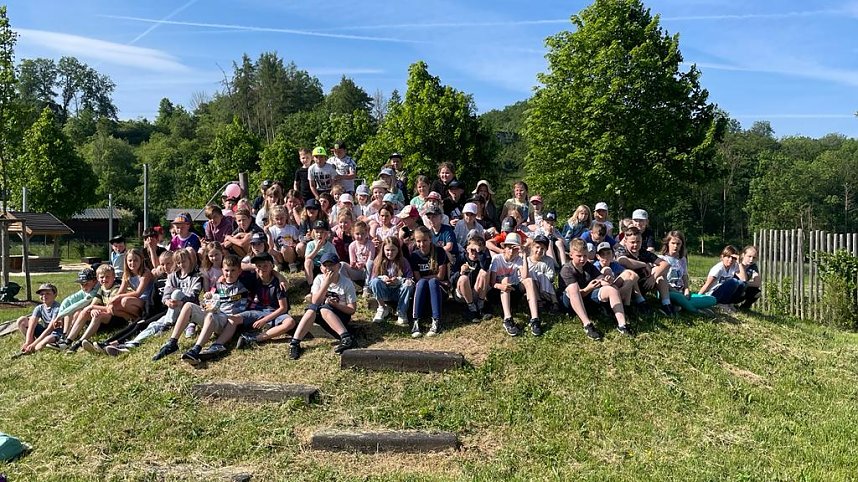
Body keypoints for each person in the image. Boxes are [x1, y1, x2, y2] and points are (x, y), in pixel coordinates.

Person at [105, 249, 204, 355]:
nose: (181, 265)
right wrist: (167, 301)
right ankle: (131, 344)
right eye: (179, 262)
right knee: (153, 325)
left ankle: (167, 324)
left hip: (188, 310)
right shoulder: (172, 276)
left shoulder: (196, 276)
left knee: (176, 294)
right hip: (172, 310)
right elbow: (166, 293)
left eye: (183, 261)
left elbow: (194, 296)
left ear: (190, 260)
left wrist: (180, 302)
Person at [153, 254, 249, 362]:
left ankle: (196, 349)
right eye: (226, 270)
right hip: (215, 315)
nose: (229, 274)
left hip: (227, 321)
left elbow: (240, 310)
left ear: (239, 271)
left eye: (233, 270)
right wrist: (208, 300)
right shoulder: (218, 284)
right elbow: (211, 298)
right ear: (222, 270)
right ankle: (172, 343)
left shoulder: (243, 286)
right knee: (188, 305)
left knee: (211, 315)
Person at [219, 252, 296, 353]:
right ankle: (218, 344)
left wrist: (265, 320)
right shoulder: (253, 278)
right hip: (257, 310)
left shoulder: (277, 283)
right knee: (233, 319)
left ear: (272, 266)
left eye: (265, 266)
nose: (262, 269)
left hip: (275, 312)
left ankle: (254, 338)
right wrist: (223, 277)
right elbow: (238, 266)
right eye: (259, 266)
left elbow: (283, 308)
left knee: (290, 322)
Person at [288, 252, 358, 359]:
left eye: (332, 265)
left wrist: (337, 305)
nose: (328, 268)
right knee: (311, 309)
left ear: (338, 266)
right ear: (321, 268)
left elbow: (352, 309)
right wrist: (326, 283)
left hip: (340, 315)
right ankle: (295, 343)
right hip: (321, 313)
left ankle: (346, 338)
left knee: (324, 309)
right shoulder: (319, 279)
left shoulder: (346, 283)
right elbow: (315, 301)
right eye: (325, 265)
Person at [560, 239, 632, 340]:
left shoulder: (588, 265)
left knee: (612, 290)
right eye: (579, 256)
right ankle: (587, 325)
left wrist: (607, 280)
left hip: (587, 298)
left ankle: (622, 325)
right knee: (573, 287)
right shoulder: (567, 269)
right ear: (571, 255)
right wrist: (588, 288)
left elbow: (600, 279)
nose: (582, 259)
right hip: (569, 303)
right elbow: (578, 293)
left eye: (585, 256)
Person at [490, 233, 542, 336]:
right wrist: (501, 286)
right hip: (497, 293)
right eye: (509, 247)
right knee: (505, 279)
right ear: (504, 248)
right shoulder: (497, 259)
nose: (511, 251)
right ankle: (507, 318)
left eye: (514, 248)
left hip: (513, 291)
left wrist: (524, 256)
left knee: (529, 281)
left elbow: (525, 275)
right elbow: (491, 283)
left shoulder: (518, 259)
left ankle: (535, 319)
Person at [614, 226, 674, 316]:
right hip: (628, 287)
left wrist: (653, 278)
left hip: (644, 283)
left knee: (660, 274)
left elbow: (666, 264)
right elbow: (623, 261)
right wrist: (644, 264)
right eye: (632, 242)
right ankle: (640, 302)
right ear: (625, 242)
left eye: (638, 242)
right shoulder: (621, 250)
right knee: (631, 273)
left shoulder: (643, 252)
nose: (635, 245)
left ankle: (666, 304)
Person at [66, 265, 124, 353]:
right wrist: (92, 309)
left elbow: (110, 308)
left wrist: (93, 307)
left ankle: (80, 342)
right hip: (106, 316)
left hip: (117, 317)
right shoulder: (102, 288)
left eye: (107, 277)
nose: (104, 279)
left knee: (98, 315)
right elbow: (94, 304)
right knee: (85, 311)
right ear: (98, 278)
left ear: (114, 277)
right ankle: (68, 340)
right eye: (102, 277)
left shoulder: (116, 288)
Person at [657, 232, 716, 314]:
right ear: (667, 243)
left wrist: (687, 290)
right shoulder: (661, 259)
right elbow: (661, 280)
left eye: (678, 244)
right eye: (673, 243)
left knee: (712, 299)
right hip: (667, 292)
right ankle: (696, 311)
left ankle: (681, 306)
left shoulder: (682, 260)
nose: (675, 246)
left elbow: (684, 277)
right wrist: (678, 293)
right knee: (679, 298)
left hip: (681, 291)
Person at [409, 226, 448, 338]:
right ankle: (416, 321)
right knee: (422, 283)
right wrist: (428, 278)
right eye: (418, 241)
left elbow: (440, 276)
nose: (422, 244)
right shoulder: (415, 255)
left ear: (430, 239)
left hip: (438, 290)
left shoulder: (439, 251)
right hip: (422, 291)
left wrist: (428, 278)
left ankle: (436, 321)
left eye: (425, 240)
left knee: (433, 282)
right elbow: (417, 278)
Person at [369, 237, 414, 326]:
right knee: (375, 282)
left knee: (408, 284)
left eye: (393, 250)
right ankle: (382, 307)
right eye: (387, 250)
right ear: (383, 250)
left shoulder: (403, 261)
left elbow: (410, 278)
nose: (390, 253)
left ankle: (402, 312)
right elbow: (372, 281)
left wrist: (399, 280)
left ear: (398, 250)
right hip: (384, 292)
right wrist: (382, 278)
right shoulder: (379, 261)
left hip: (398, 292)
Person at [452, 236, 492, 322]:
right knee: (464, 278)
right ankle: (471, 308)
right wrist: (460, 272)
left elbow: (485, 267)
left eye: (477, 251)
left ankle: (481, 305)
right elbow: (451, 280)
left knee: (485, 272)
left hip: (477, 292)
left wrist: (480, 253)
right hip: (462, 294)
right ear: (467, 249)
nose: (474, 254)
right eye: (472, 250)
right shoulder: (461, 258)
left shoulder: (483, 257)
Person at [14, 283, 60, 356]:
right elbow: (32, 325)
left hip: (54, 333)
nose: (44, 296)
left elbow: (50, 328)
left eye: (48, 293)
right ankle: (31, 342)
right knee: (21, 320)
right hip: (44, 330)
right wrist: (28, 341)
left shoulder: (57, 308)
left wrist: (34, 344)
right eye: (42, 294)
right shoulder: (39, 308)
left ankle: (32, 348)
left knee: (39, 346)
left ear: (55, 295)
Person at [528, 235, 560, 310]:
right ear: (532, 247)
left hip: (545, 287)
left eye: (542, 248)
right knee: (533, 274)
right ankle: (541, 301)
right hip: (532, 288)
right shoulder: (527, 260)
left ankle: (554, 303)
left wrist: (540, 277)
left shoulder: (548, 260)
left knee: (540, 275)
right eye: (537, 247)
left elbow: (551, 276)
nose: (539, 250)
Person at [303, 219, 337, 285]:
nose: (319, 234)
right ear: (313, 233)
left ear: (326, 233)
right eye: (317, 232)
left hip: (325, 268)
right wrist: (316, 249)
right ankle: (310, 284)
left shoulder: (330, 246)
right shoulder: (310, 244)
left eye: (322, 232)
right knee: (308, 262)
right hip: (314, 267)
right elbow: (307, 258)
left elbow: (336, 259)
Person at [267, 205, 300, 273]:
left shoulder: (291, 228)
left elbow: (297, 241)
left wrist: (294, 244)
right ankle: (278, 265)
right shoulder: (272, 229)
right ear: (273, 219)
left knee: (285, 248)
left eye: (281, 218)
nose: (279, 221)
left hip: (289, 253)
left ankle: (291, 264)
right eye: (277, 219)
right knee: (269, 250)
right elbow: (270, 246)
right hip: (279, 254)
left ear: (286, 217)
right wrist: (269, 234)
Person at [736, 245, 761, 310]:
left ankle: (745, 307)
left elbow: (757, 283)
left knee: (757, 292)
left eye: (754, 257)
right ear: (743, 255)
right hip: (731, 289)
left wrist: (746, 284)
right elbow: (743, 278)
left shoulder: (753, 266)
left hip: (742, 287)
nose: (751, 259)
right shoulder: (736, 264)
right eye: (749, 256)